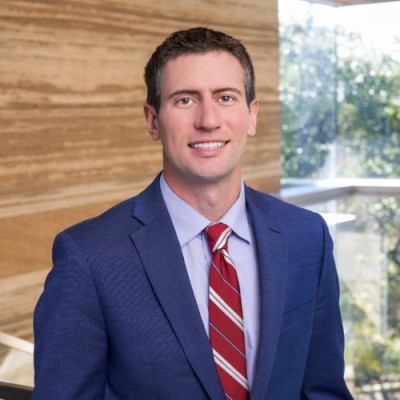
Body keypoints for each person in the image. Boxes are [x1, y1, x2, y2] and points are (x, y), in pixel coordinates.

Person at [32, 27, 353, 399]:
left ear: (252, 115)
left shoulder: (307, 236)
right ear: (153, 120)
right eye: (185, 100)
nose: (209, 120)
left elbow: (323, 391)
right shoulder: (89, 256)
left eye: (226, 97)